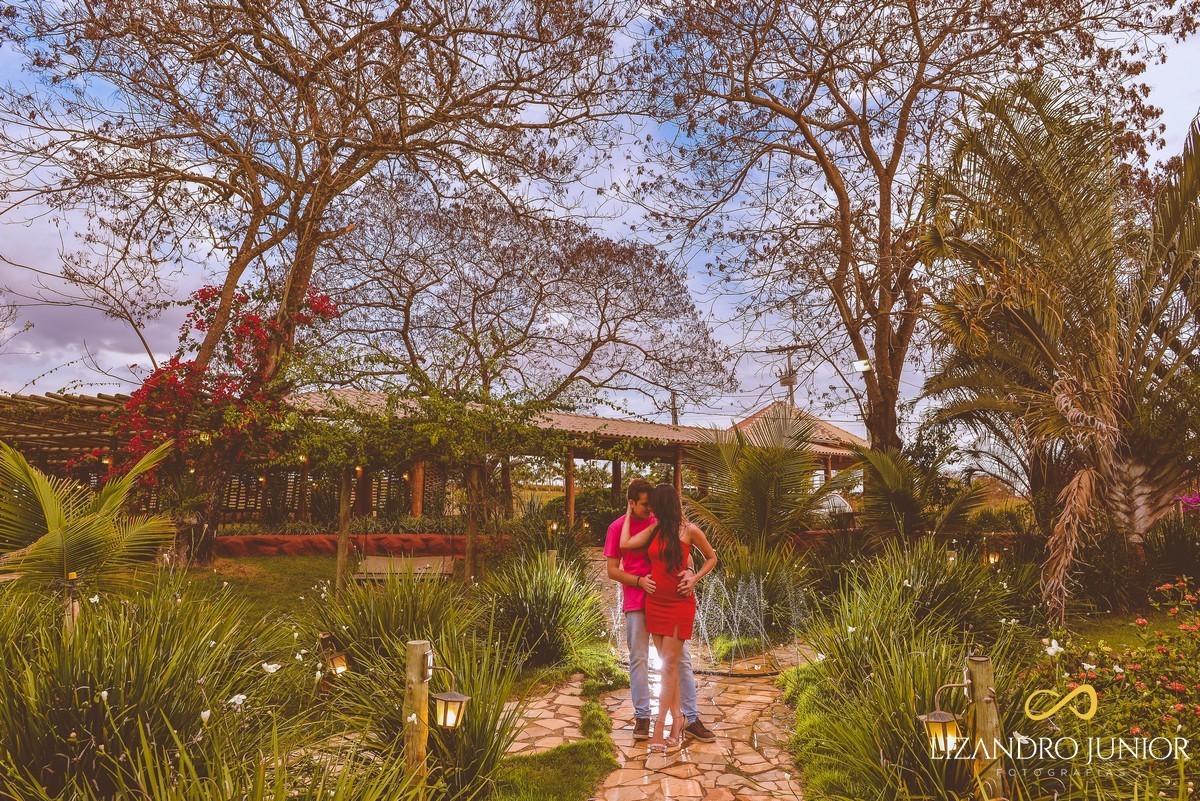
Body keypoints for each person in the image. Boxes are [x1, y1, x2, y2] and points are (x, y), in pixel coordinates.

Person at [605, 479, 716, 745]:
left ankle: (689, 718)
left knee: (679, 661)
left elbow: (685, 555)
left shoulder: (661, 522)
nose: (650, 508)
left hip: (669, 600)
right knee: (640, 659)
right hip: (638, 600)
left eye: (653, 504)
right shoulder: (618, 527)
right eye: (645, 504)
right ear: (632, 503)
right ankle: (644, 716)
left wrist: (691, 573)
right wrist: (639, 581)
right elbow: (612, 570)